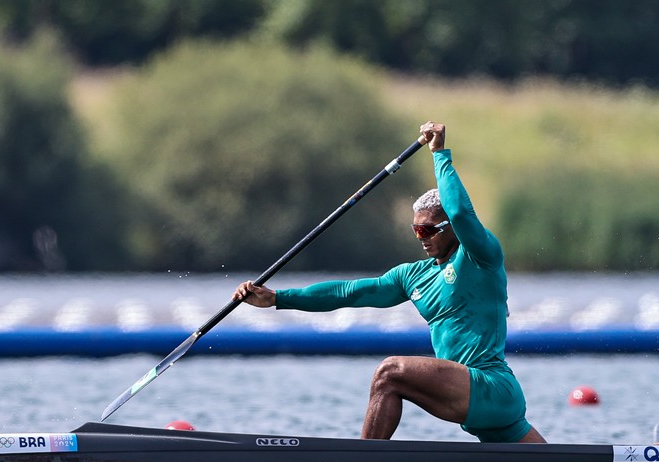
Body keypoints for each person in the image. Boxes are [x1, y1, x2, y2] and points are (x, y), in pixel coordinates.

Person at [233, 121, 546, 444]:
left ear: (450, 227)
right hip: (480, 406)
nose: (420, 238)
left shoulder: (480, 256)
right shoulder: (413, 276)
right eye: (415, 230)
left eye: (428, 230)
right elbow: (349, 293)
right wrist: (278, 299)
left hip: (490, 387)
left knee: (389, 373)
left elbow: (462, 214)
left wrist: (439, 154)